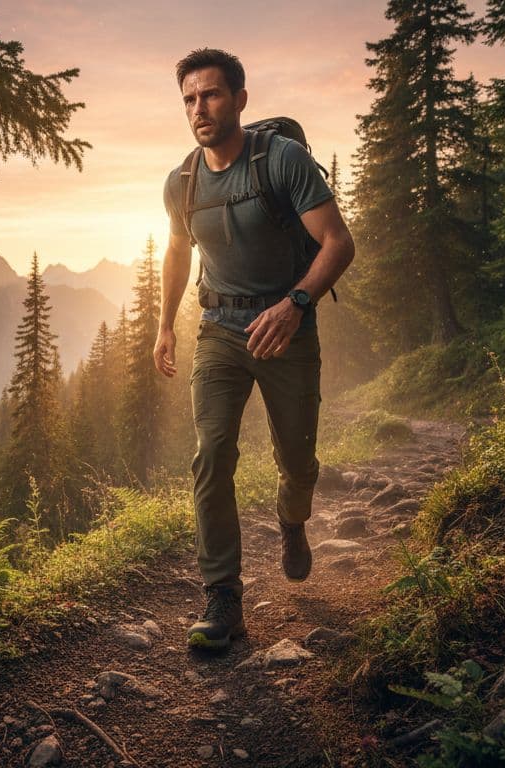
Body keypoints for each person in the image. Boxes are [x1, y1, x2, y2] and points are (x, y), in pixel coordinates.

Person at [154, 48, 355, 650]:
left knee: (297, 459)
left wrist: (295, 305)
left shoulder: (282, 161)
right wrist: (165, 325)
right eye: (189, 98)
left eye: (211, 95)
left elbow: (338, 243)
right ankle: (223, 596)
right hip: (218, 330)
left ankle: (292, 520)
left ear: (239, 99)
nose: (199, 108)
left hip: (286, 326)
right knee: (212, 453)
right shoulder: (182, 182)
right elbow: (177, 251)